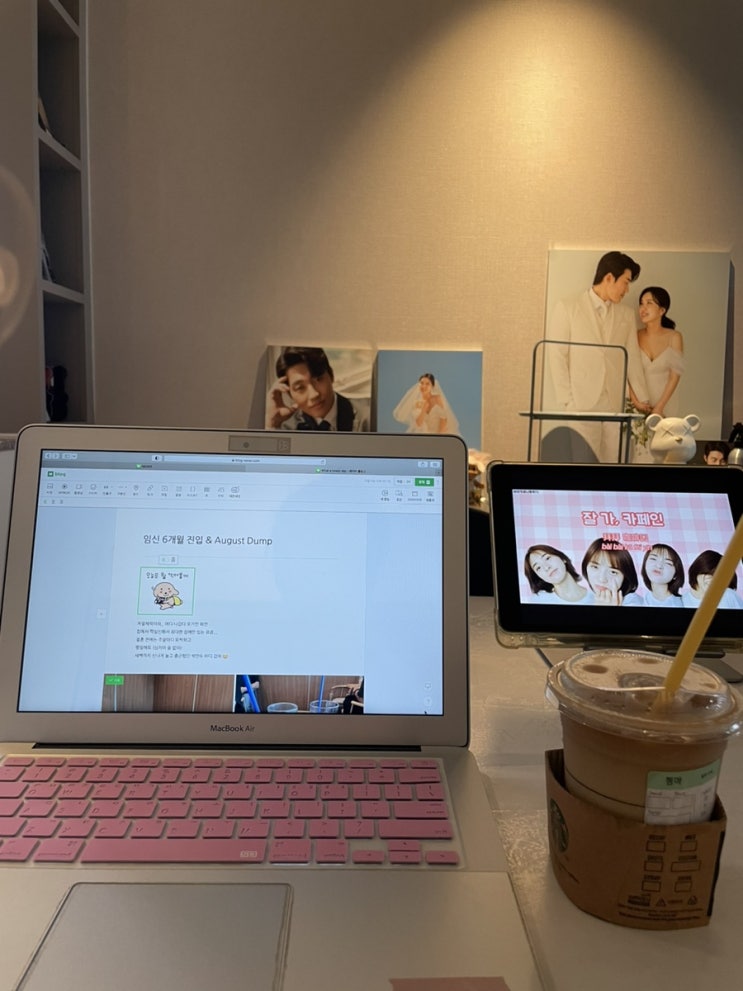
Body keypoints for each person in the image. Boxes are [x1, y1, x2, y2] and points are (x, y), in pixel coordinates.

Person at [547, 251, 650, 462]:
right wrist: (567, 400)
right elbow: (557, 355)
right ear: (609, 277)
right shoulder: (568, 307)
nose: (627, 290)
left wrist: (642, 397)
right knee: (584, 462)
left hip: (614, 401)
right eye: (626, 282)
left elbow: (632, 356)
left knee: (614, 462)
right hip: (581, 402)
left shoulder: (626, 314)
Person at [267, 346, 369, 431]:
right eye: (300, 387)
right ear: (289, 394)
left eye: (319, 379)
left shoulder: (368, 418)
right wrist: (272, 423)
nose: (314, 394)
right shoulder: (287, 428)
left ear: (331, 375)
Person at [636, 287, 684, 417]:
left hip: (665, 404)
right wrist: (636, 402)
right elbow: (629, 373)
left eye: (649, 303)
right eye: (641, 303)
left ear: (662, 310)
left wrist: (659, 407)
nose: (643, 308)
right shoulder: (635, 336)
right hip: (640, 404)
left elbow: (675, 376)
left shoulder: (674, 337)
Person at [580, 538, 644, 605]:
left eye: (613, 572)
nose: (602, 579)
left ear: (625, 576)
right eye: (595, 567)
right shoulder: (586, 598)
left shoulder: (635, 603)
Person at [392, 373, 460, 435]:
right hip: (424, 434)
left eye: (427, 384)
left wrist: (439, 437)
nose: (424, 386)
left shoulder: (437, 398)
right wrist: (424, 409)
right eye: (422, 383)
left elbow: (444, 420)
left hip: (440, 433)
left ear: (432, 386)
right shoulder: (416, 403)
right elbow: (418, 423)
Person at [523, 544, 592, 603]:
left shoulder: (595, 596)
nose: (546, 567)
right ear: (539, 576)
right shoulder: (539, 600)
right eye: (538, 568)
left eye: (547, 558)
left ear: (562, 558)